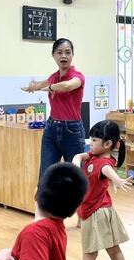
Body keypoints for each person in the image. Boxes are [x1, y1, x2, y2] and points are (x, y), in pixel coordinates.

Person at [71, 120, 131, 260]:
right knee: (114, 250)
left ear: (107, 144)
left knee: (89, 254)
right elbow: (79, 156)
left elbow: (108, 170)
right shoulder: (94, 155)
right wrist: (76, 162)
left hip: (96, 213)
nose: (90, 143)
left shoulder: (103, 163)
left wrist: (117, 180)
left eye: (94, 140)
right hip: (104, 211)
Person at [22, 38, 86, 179]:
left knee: (75, 176)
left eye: (67, 52)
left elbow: (68, 86)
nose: (64, 56)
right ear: (53, 55)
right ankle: (44, 194)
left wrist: (50, 87)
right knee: (46, 175)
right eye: (59, 52)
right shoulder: (54, 77)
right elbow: (40, 84)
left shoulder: (77, 76)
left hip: (72, 130)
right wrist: (31, 87)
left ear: (72, 55)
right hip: (51, 128)